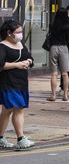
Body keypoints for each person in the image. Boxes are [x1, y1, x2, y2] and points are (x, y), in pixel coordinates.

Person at [0, 19, 34, 150]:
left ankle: (1, 138)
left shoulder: (20, 44)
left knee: (7, 111)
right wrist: (17, 65)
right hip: (8, 82)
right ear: (9, 33)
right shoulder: (2, 46)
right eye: (18, 32)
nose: (21, 34)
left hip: (21, 82)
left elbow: (30, 57)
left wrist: (28, 61)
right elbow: (1, 65)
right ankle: (21, 138)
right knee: (18, 108)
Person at [45, 7, 69, 102]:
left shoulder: (52, 25)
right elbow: (68, 39)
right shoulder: (67, 26)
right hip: (63, 48)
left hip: (53, 48)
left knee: (54, 74)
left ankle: (53, 95)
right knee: (65, 73)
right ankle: (65, 95)